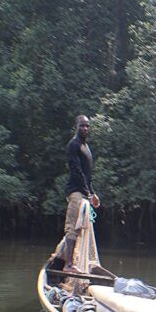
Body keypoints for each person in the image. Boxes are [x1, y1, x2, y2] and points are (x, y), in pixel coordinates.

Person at [60, 115, 99, 272]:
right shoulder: (73, 145)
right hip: (76, 192)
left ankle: (70, 259)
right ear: (75, 126)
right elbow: (76, 171)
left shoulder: (86, 146)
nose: (85, 128)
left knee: (80, 228)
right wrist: (87, 193)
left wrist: (93, 193)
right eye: (82, 125)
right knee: (72, 227)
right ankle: (68, 265)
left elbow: (86, 174)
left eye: (87, 126)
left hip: (84, 191)